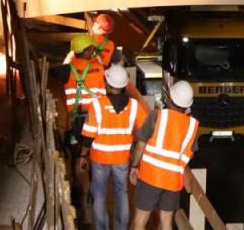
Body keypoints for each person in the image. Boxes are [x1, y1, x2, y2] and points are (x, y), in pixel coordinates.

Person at [79, 65, 148, 230]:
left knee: (99, 194)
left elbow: (88, 135)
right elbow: (146, 129)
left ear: (108, 84)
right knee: (121, 193)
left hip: (99, 159)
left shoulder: (98, 104)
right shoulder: (134, 105)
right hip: (122, 159)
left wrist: (83, 156)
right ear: (124, 85)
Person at [129, 81, 200, 230]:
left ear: (170, 97)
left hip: (150, 177)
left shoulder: (156, 116)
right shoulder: (192, 126)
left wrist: (134, 166)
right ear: (188, 104)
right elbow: (190, 154)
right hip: (173, 181)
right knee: (167, 223)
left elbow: (140, 145)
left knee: (140, 221)